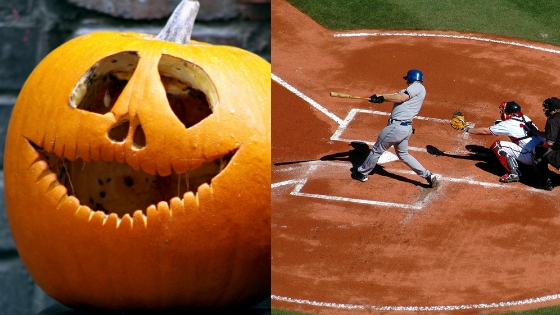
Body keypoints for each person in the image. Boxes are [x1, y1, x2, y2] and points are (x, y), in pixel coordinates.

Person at [351, 69, 438, 188]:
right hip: (405, 128)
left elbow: (401, 98)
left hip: (396, 127)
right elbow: (395, 96)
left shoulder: (417, 87)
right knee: (403, 154)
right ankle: (428, 175)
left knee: (377, 149)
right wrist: (380, 97)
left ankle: (362, 173)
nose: (406, 81)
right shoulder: (412, 90)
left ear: (412, 78)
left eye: (407, 78)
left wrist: (381, 98)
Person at [462, 101, 544, 183]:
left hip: (531, 157)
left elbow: (485, 131)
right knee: (521, 140)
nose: (502, 113)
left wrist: (467, 129)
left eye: (504, 111)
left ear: (510, 113)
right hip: (544, 151)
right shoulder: (525, 118)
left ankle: (514, 174)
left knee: (497, 145)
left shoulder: (507, 124)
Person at [531, 97, 560, 191]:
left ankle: (546, 182)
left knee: (537, 152)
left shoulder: (553, 120)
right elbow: (552, 135)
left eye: (549, 109)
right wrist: (537, 133)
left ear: (555, 110)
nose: (547, 111)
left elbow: (550, 143)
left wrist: (541, 145)